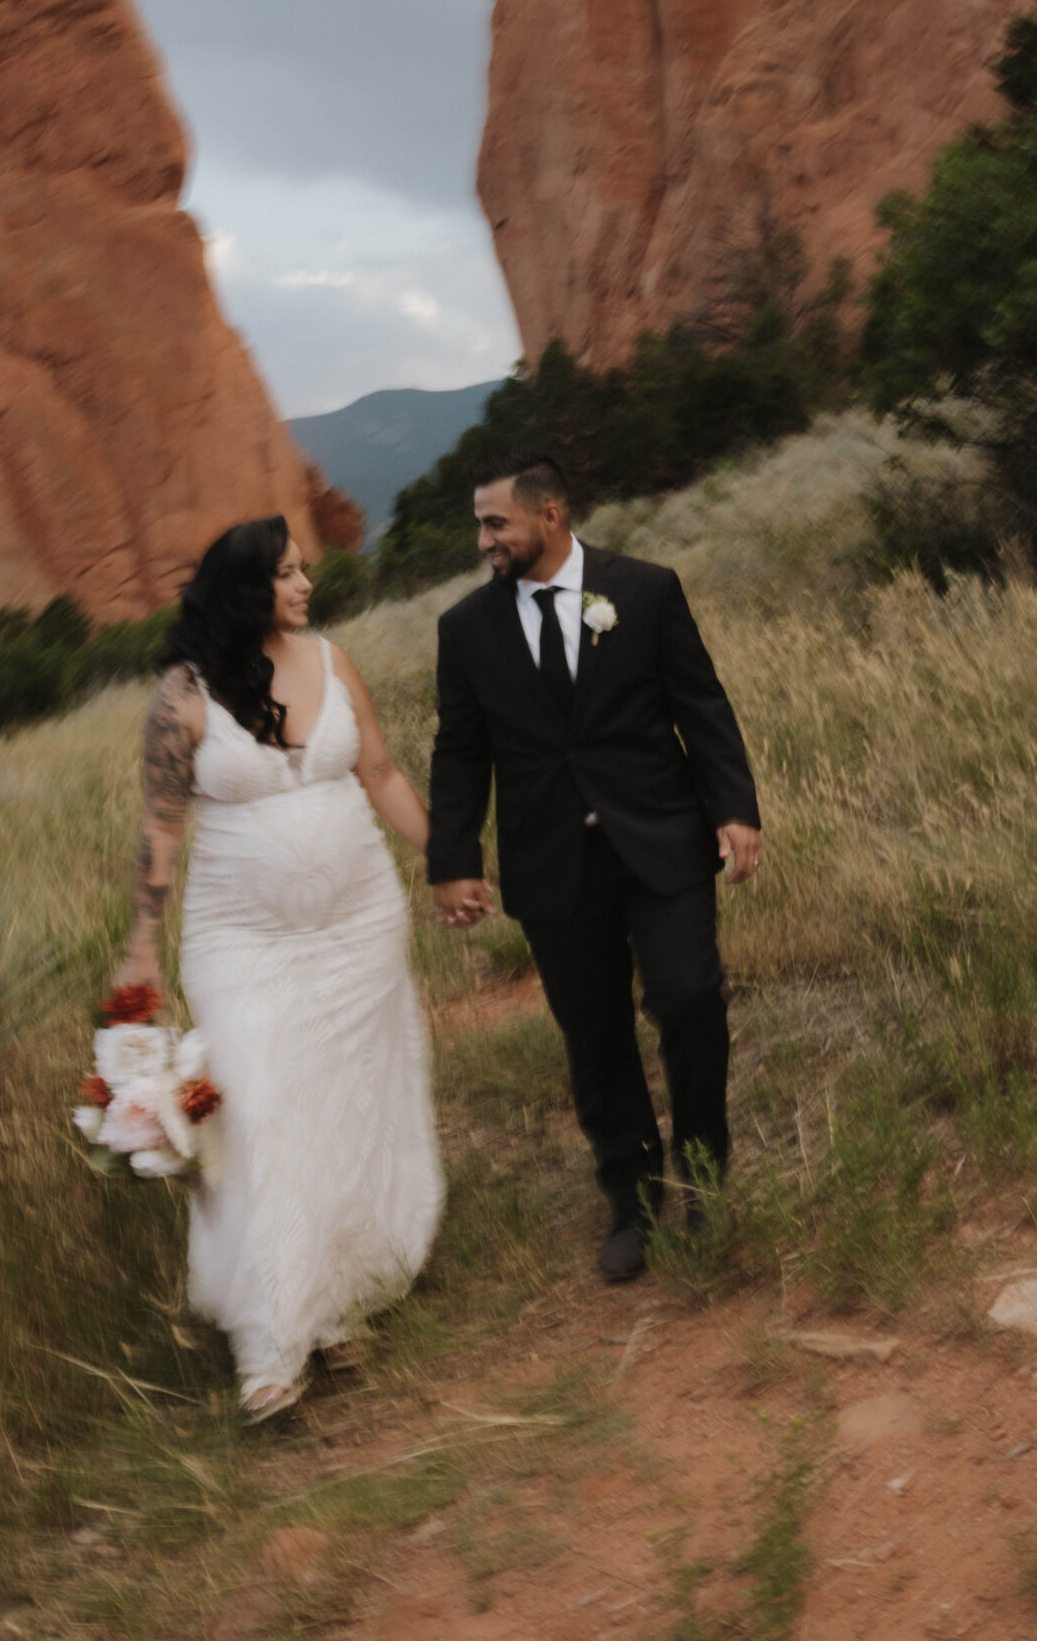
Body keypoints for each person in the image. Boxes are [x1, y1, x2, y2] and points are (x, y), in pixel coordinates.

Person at [118, 515, 442, 1418]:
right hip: (240, 942)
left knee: (342, 1101)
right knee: (257, 1113)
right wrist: (140, 948)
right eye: (290, 574)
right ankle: (268, 1345)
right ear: (247, 589)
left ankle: (330, 1298)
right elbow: (160, 830)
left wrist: (446, 859)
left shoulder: (334, 662)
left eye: (303, 571)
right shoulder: (181, 699)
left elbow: (376, 772)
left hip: (357, 926)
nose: (306, 585)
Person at [427, 452, 763, 1283]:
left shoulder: (645, 589)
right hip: (551, 863)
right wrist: (454, 858)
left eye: (494, 522)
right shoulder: (465, 628)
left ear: (549, 516)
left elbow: (700, 703)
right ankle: (633, 1199)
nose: (483, 541)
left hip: (660, 839)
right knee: (594, 1032)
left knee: (688, 998)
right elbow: (460, 751)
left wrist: (735, 808)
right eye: (479, 524)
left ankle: (705, 1179)